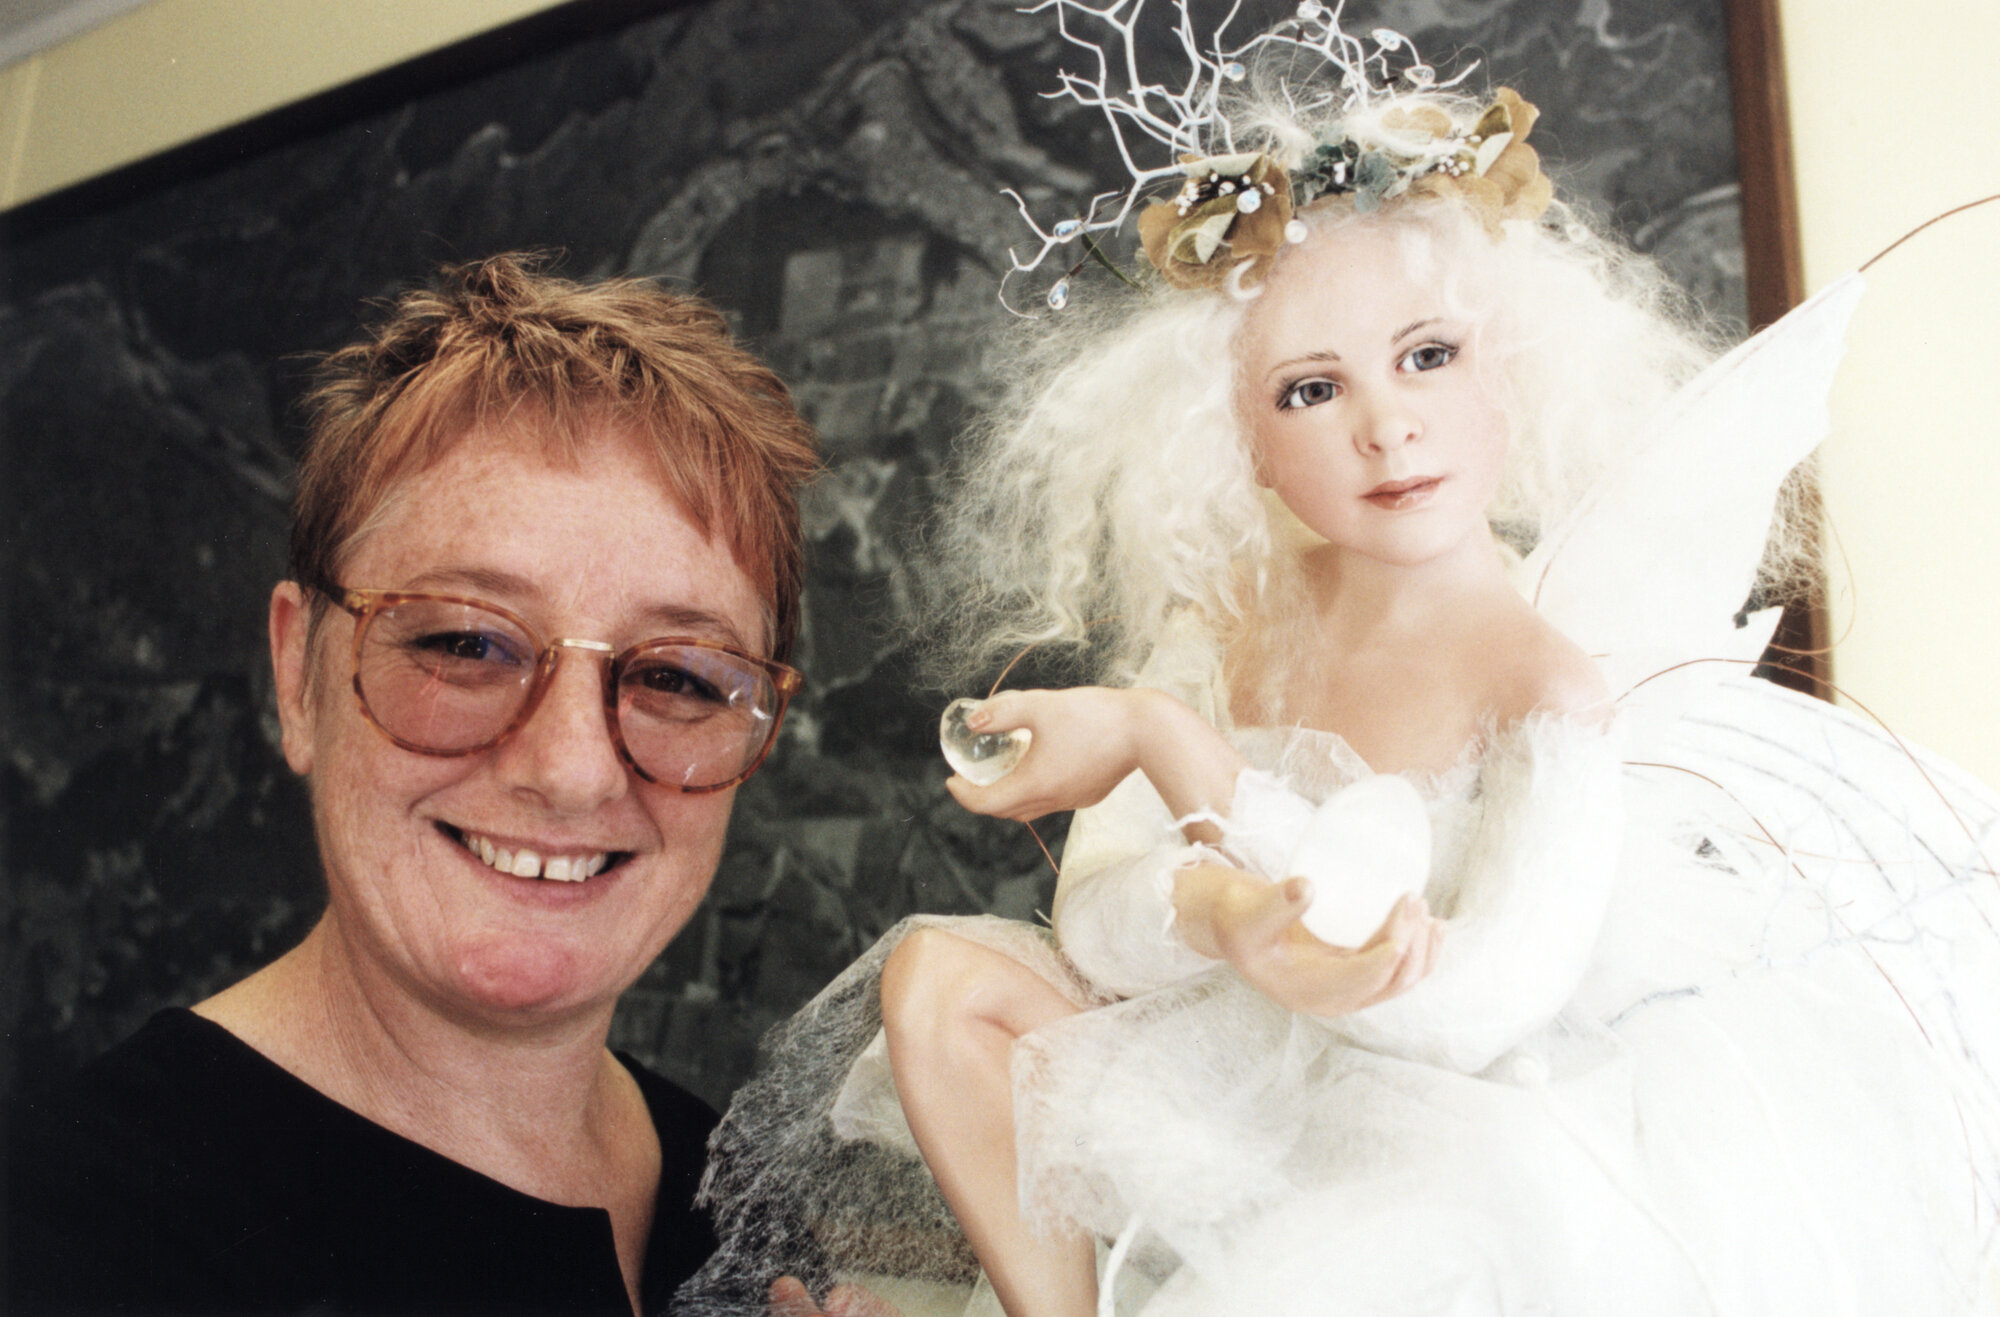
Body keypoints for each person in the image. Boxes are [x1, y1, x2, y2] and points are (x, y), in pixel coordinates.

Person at [684, 9, 2000, 1317]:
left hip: (1434, 1136)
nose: (1389, 426)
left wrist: (1184, 770)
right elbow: (1096, 920)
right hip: (1203, 1074)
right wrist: (1229, 922)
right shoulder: (1226, 627)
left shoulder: (1541, 682)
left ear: (1511, 368)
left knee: (1349, 1253)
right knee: (939, 982)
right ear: (1239, 441)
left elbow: (1484, 1005)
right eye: (1312, 389)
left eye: (1429, 356)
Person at [4, 253, 820, 1316]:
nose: (571, 771)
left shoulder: (743, 1211)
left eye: (674, 676)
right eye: (465, 644)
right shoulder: (61, 1234)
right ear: (298, 677)